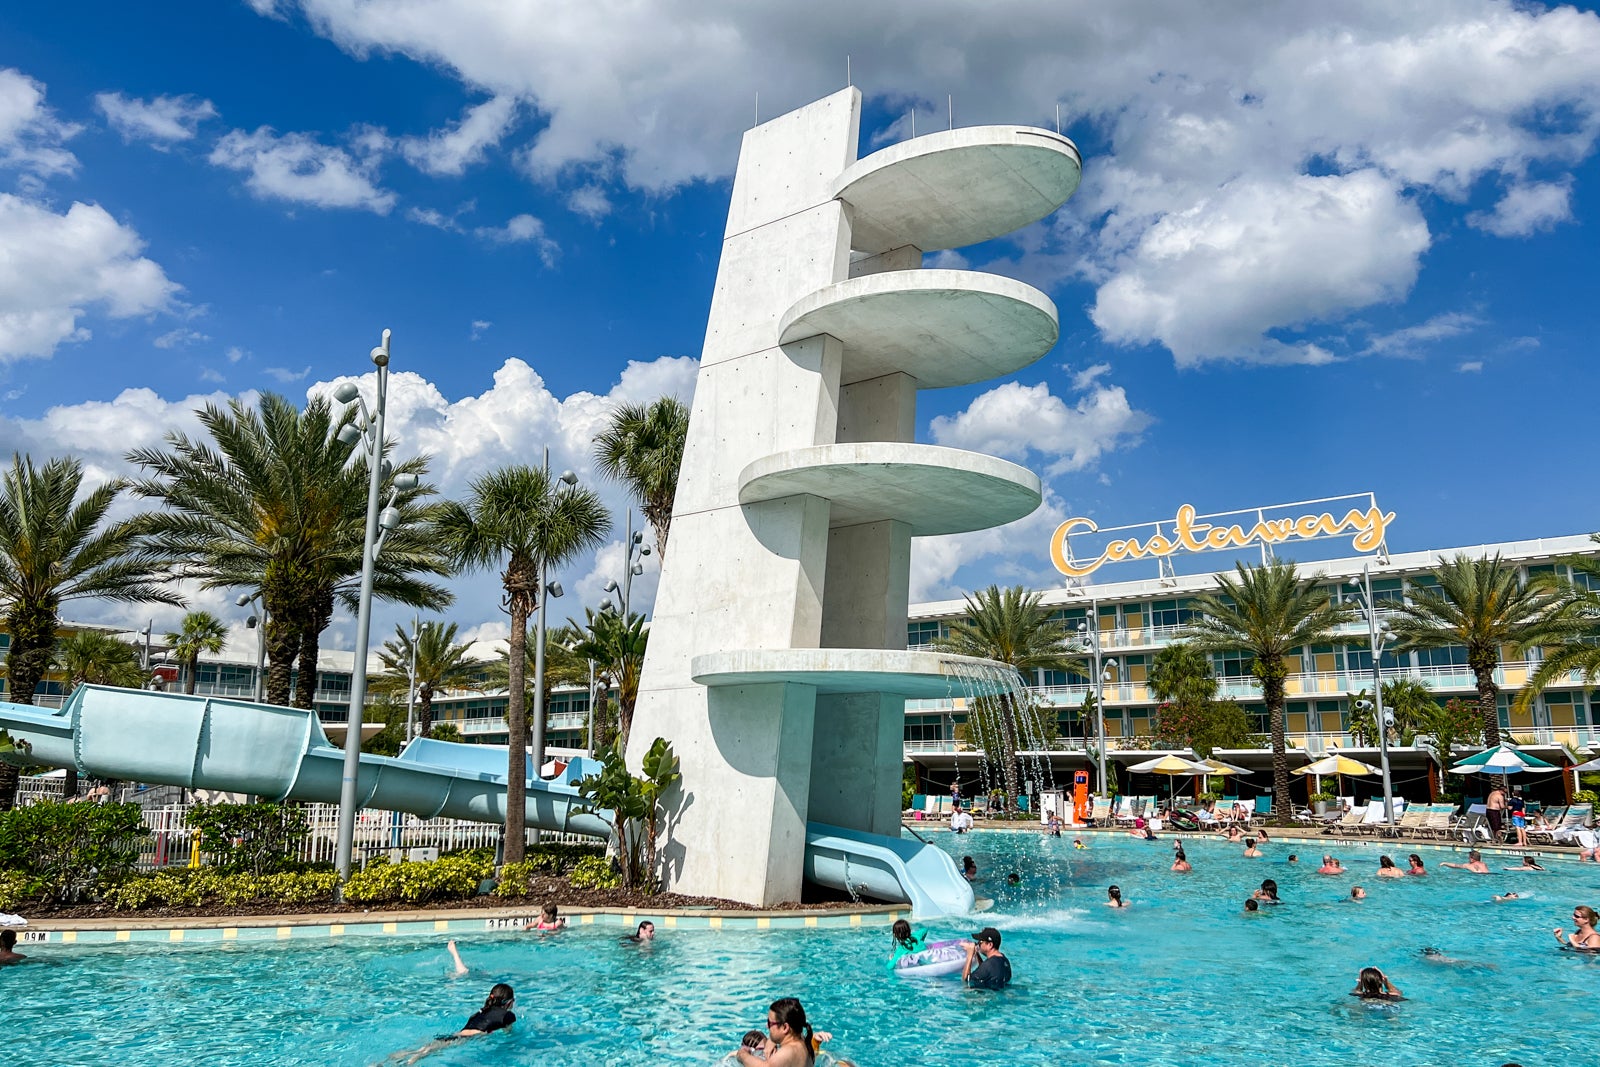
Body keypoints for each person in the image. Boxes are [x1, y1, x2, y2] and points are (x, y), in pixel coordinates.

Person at [387, 983, 517, 1065]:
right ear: (509, 1002)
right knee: (423, 1054)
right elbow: (508, 1034)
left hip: (454, 1035)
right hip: (466, 1039)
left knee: (423, 1049)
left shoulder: (481, 1011)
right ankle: (408, 1064)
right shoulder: (508, 1015)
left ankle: (383, 1062)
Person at [738, 998, 816, 1067]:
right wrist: (771, 1041)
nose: (767, 1026)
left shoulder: (786, 1052)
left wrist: (742, 1054)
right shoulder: (803, 1043)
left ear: (785, 1027)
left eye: (770, 1023)